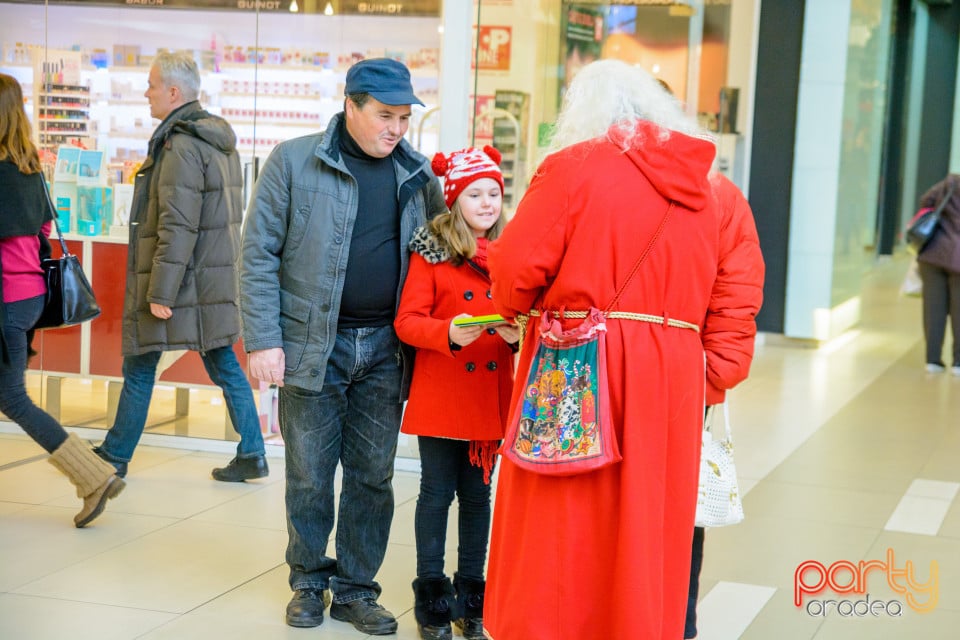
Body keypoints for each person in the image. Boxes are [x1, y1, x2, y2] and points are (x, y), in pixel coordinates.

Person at [483, 59, 759, 639]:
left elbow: (513, 270)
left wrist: (522, 311)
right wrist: (710, 378)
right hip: (675, 374)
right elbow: (738, 292)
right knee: (649, 519)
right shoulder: (716, 191)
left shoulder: (572, 169)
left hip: (575, 361)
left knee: (560, 515)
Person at [240, 58, 446, 634]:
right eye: (385, 115)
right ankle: (308, 580)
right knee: (309, 473)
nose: (397, 128)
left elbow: (442, 254)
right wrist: (262, 340)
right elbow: (256, 255)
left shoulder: (416, 174)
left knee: (372, 476)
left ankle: (356, 588)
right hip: (312, 344)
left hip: (387, 348)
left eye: (405, 118)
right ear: (350, 105)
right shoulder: (293, 161)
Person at [93, 51, 267, 482]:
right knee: (224, 363)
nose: (146, 92)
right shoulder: (215, 140)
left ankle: (115, 455)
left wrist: (161, 292)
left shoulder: (181, 145)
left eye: (151, 85)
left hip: (183, 282)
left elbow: (179, 223)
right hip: (210, 279)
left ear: (173, 92)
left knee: (140, 361)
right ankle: (253, 452)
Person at [394, 146, 519, 640]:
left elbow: (530, 316)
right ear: (455, 199)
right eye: (475, 194)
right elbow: (407, 321)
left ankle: (472, 599)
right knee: (435, 494)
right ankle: (432, 601)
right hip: (444, 392)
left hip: (488, 395)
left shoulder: (512, 254)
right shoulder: (432, 252)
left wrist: (517, 336)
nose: (487, 203)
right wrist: (447, 333)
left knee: (477, 497)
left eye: (494, 193)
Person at [0, 72, 125, 528]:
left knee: (11, 397)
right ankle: (93, 475)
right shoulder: (29, 167)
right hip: (29, 296)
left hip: (7, 303)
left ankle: (93, 476)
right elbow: (44, 231)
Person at [685, 172, 765, 639]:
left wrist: (713, 369)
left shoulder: (714, 192)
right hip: (613, 376)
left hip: (684, 377)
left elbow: (737, 288)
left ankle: (679, 622)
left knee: (682, 504)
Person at [915, 174, 960, 375]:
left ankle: (933, 360)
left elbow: (924, 204)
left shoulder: (947, 184)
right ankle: (958, 363)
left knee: (933, 309)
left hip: (933, 254)